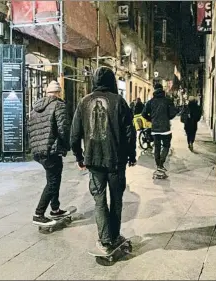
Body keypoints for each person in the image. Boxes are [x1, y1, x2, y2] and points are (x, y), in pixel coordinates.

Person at [70, 66, 137, 254]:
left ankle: (105, 239)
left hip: (94, 160)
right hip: (116, 160)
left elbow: (74, 134)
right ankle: (114, 235)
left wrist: (79, 157)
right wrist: (131, 155)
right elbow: (130, 133)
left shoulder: (84, 102)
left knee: (99, 201)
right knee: (116, 200)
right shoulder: (119, 102)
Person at [28, 80, 71, 226]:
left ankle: (55, 208)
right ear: (59, 93)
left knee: (54, 177)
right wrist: (67, 145)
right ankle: (39, 214)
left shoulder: (35, 107)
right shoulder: (58, 105)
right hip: (51, 150)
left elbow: (30, 129)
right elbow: (63, 128)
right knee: (53, 181)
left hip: (38, 150)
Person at [142, 83, 177, 173]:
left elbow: (143, 114)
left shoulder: (150, 102)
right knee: (166, 145)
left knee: (157, 147)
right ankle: (161, 163)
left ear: (154, 90)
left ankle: (158, 165)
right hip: (165, 129)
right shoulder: (168, 101)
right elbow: (173, 113)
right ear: (162, 90)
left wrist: (152, 119)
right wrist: (167, 118)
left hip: (155, 129)